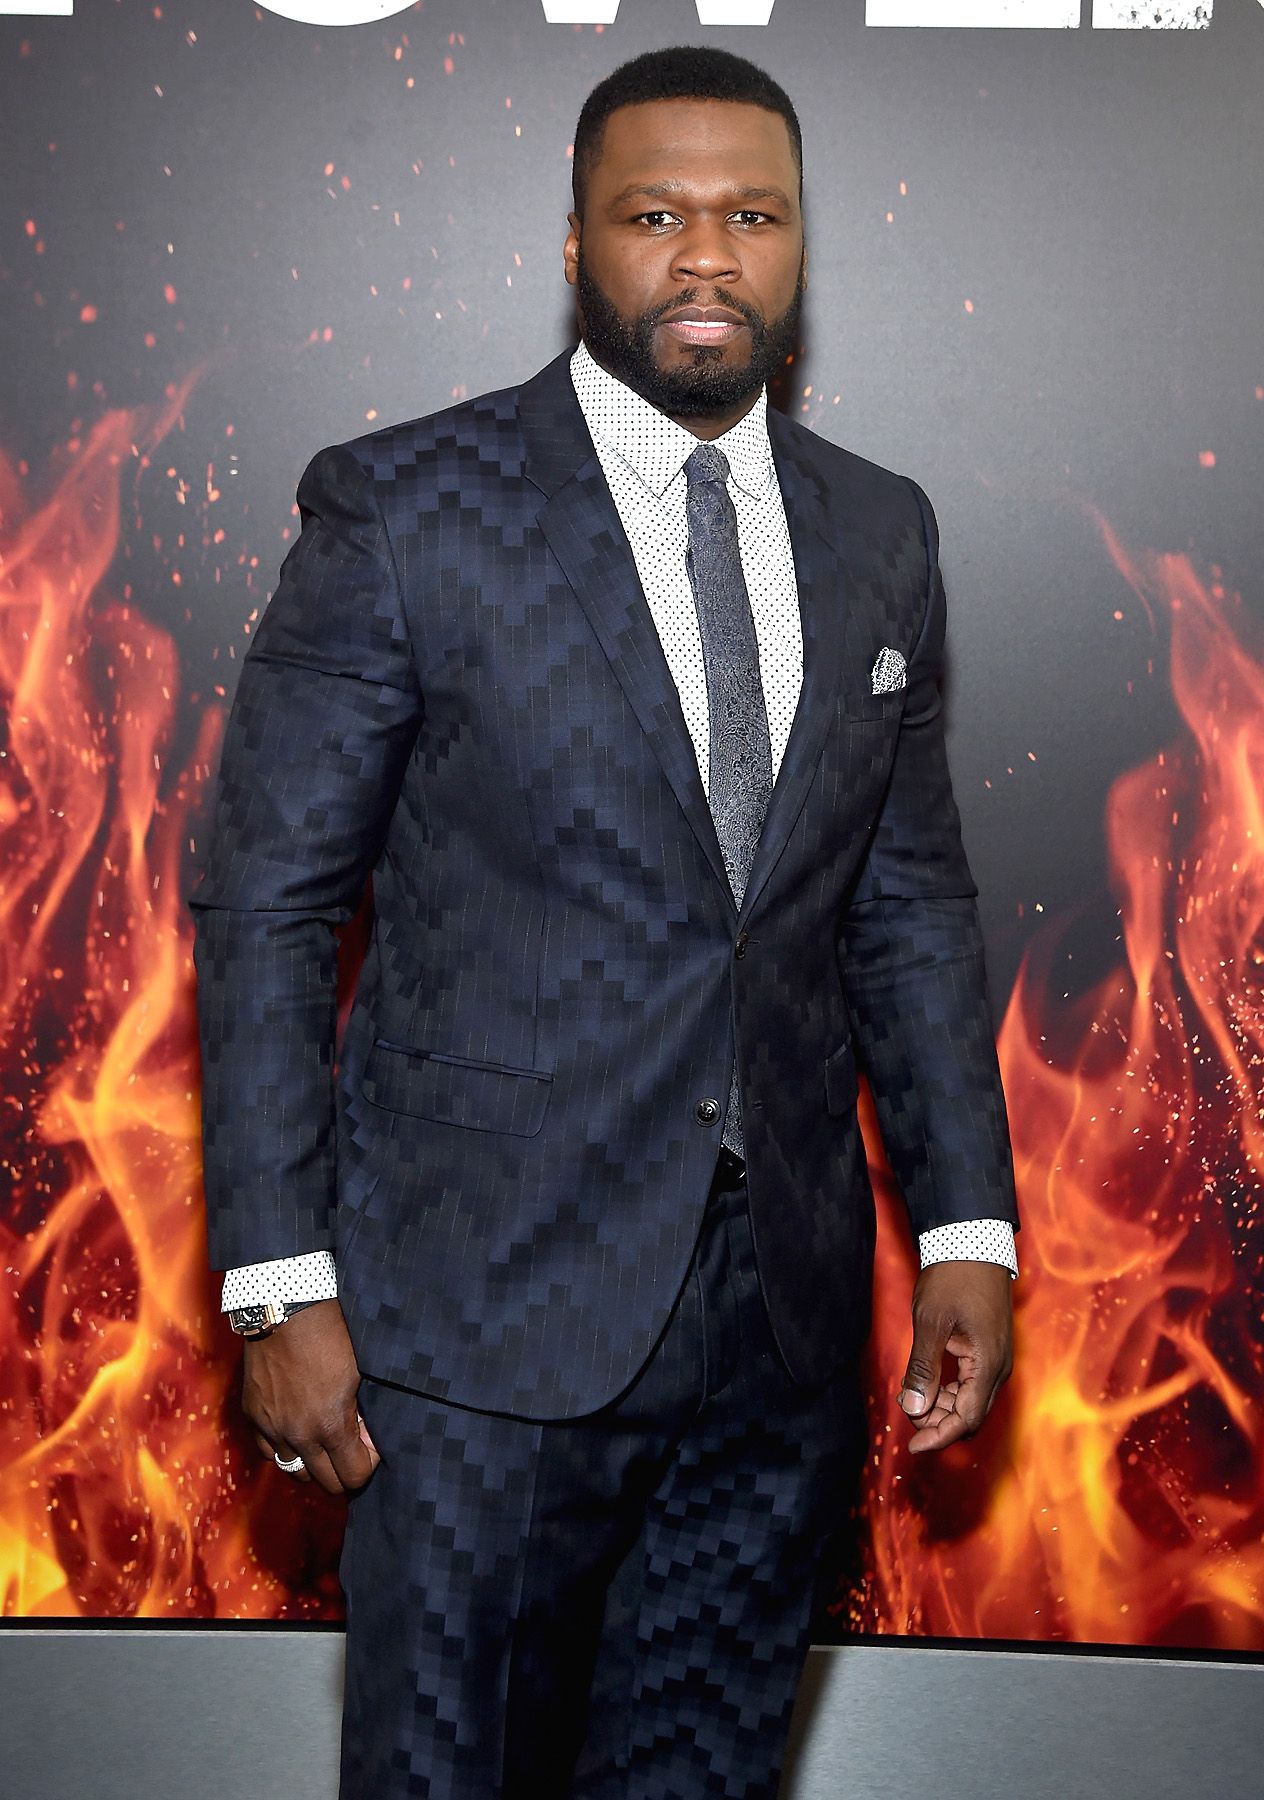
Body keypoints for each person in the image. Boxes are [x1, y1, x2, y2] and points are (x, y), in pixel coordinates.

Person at [192, 44, 1018, 1800]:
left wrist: (967, 1225)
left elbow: (907, 902)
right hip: (475, 1335)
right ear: (577, 243)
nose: (706, 254)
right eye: (656, 215)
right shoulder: (406, 508)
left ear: (802, 246)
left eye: (752, 217)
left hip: (778, 1337)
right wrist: (273, 1285)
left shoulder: (881, 530)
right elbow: (268, 906)